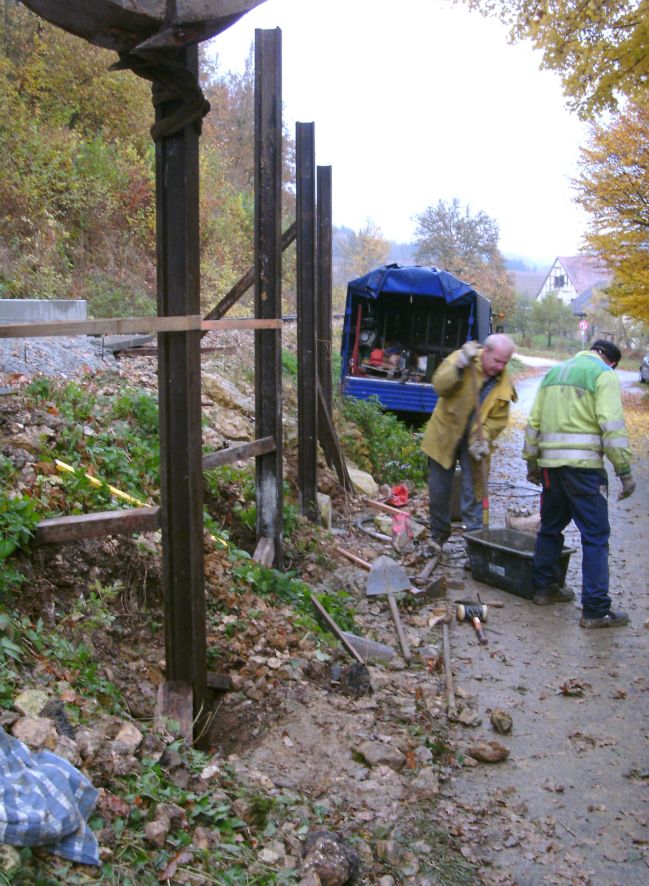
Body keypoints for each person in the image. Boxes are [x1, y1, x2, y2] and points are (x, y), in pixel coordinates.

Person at [522, 339, 635, 627]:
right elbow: (611, 425)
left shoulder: (553, 374)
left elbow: (533, 422)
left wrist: (532, 462)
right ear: (611, 361)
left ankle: (544, 589)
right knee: (595, 536)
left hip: (551, 469)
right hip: (585, 471)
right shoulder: (603, 374)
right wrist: (624, 471)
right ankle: (596, 611)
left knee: (550, 527)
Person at [421, 333, 517, 548]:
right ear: (486, 352)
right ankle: (438, 535)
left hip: (475, 442)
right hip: (444, 435)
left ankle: (476, 546)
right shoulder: (464, 359)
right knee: (438, 491)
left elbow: (498, 419)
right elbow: (439, 385)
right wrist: (459, 367)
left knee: (473, 494)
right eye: (497, 361)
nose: (501, 367)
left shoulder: (503, 382)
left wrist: (486, 437)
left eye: (505, 362)